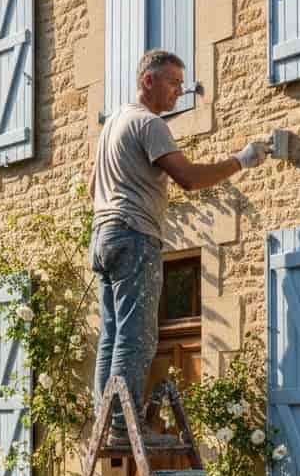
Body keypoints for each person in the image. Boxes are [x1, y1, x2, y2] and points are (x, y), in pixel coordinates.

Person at [88, 49, 270, 443]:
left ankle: (106, 425)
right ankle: (123, 427)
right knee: (136, 336)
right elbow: (187, 178)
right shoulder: (148, 123)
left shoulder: (114, 123)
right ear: (147, 81)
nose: (178, 91)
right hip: (134, 235)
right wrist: (241, 160)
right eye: (172, 82)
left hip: (103, 235)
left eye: (181, 84)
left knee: (112, 336)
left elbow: (92, 188)